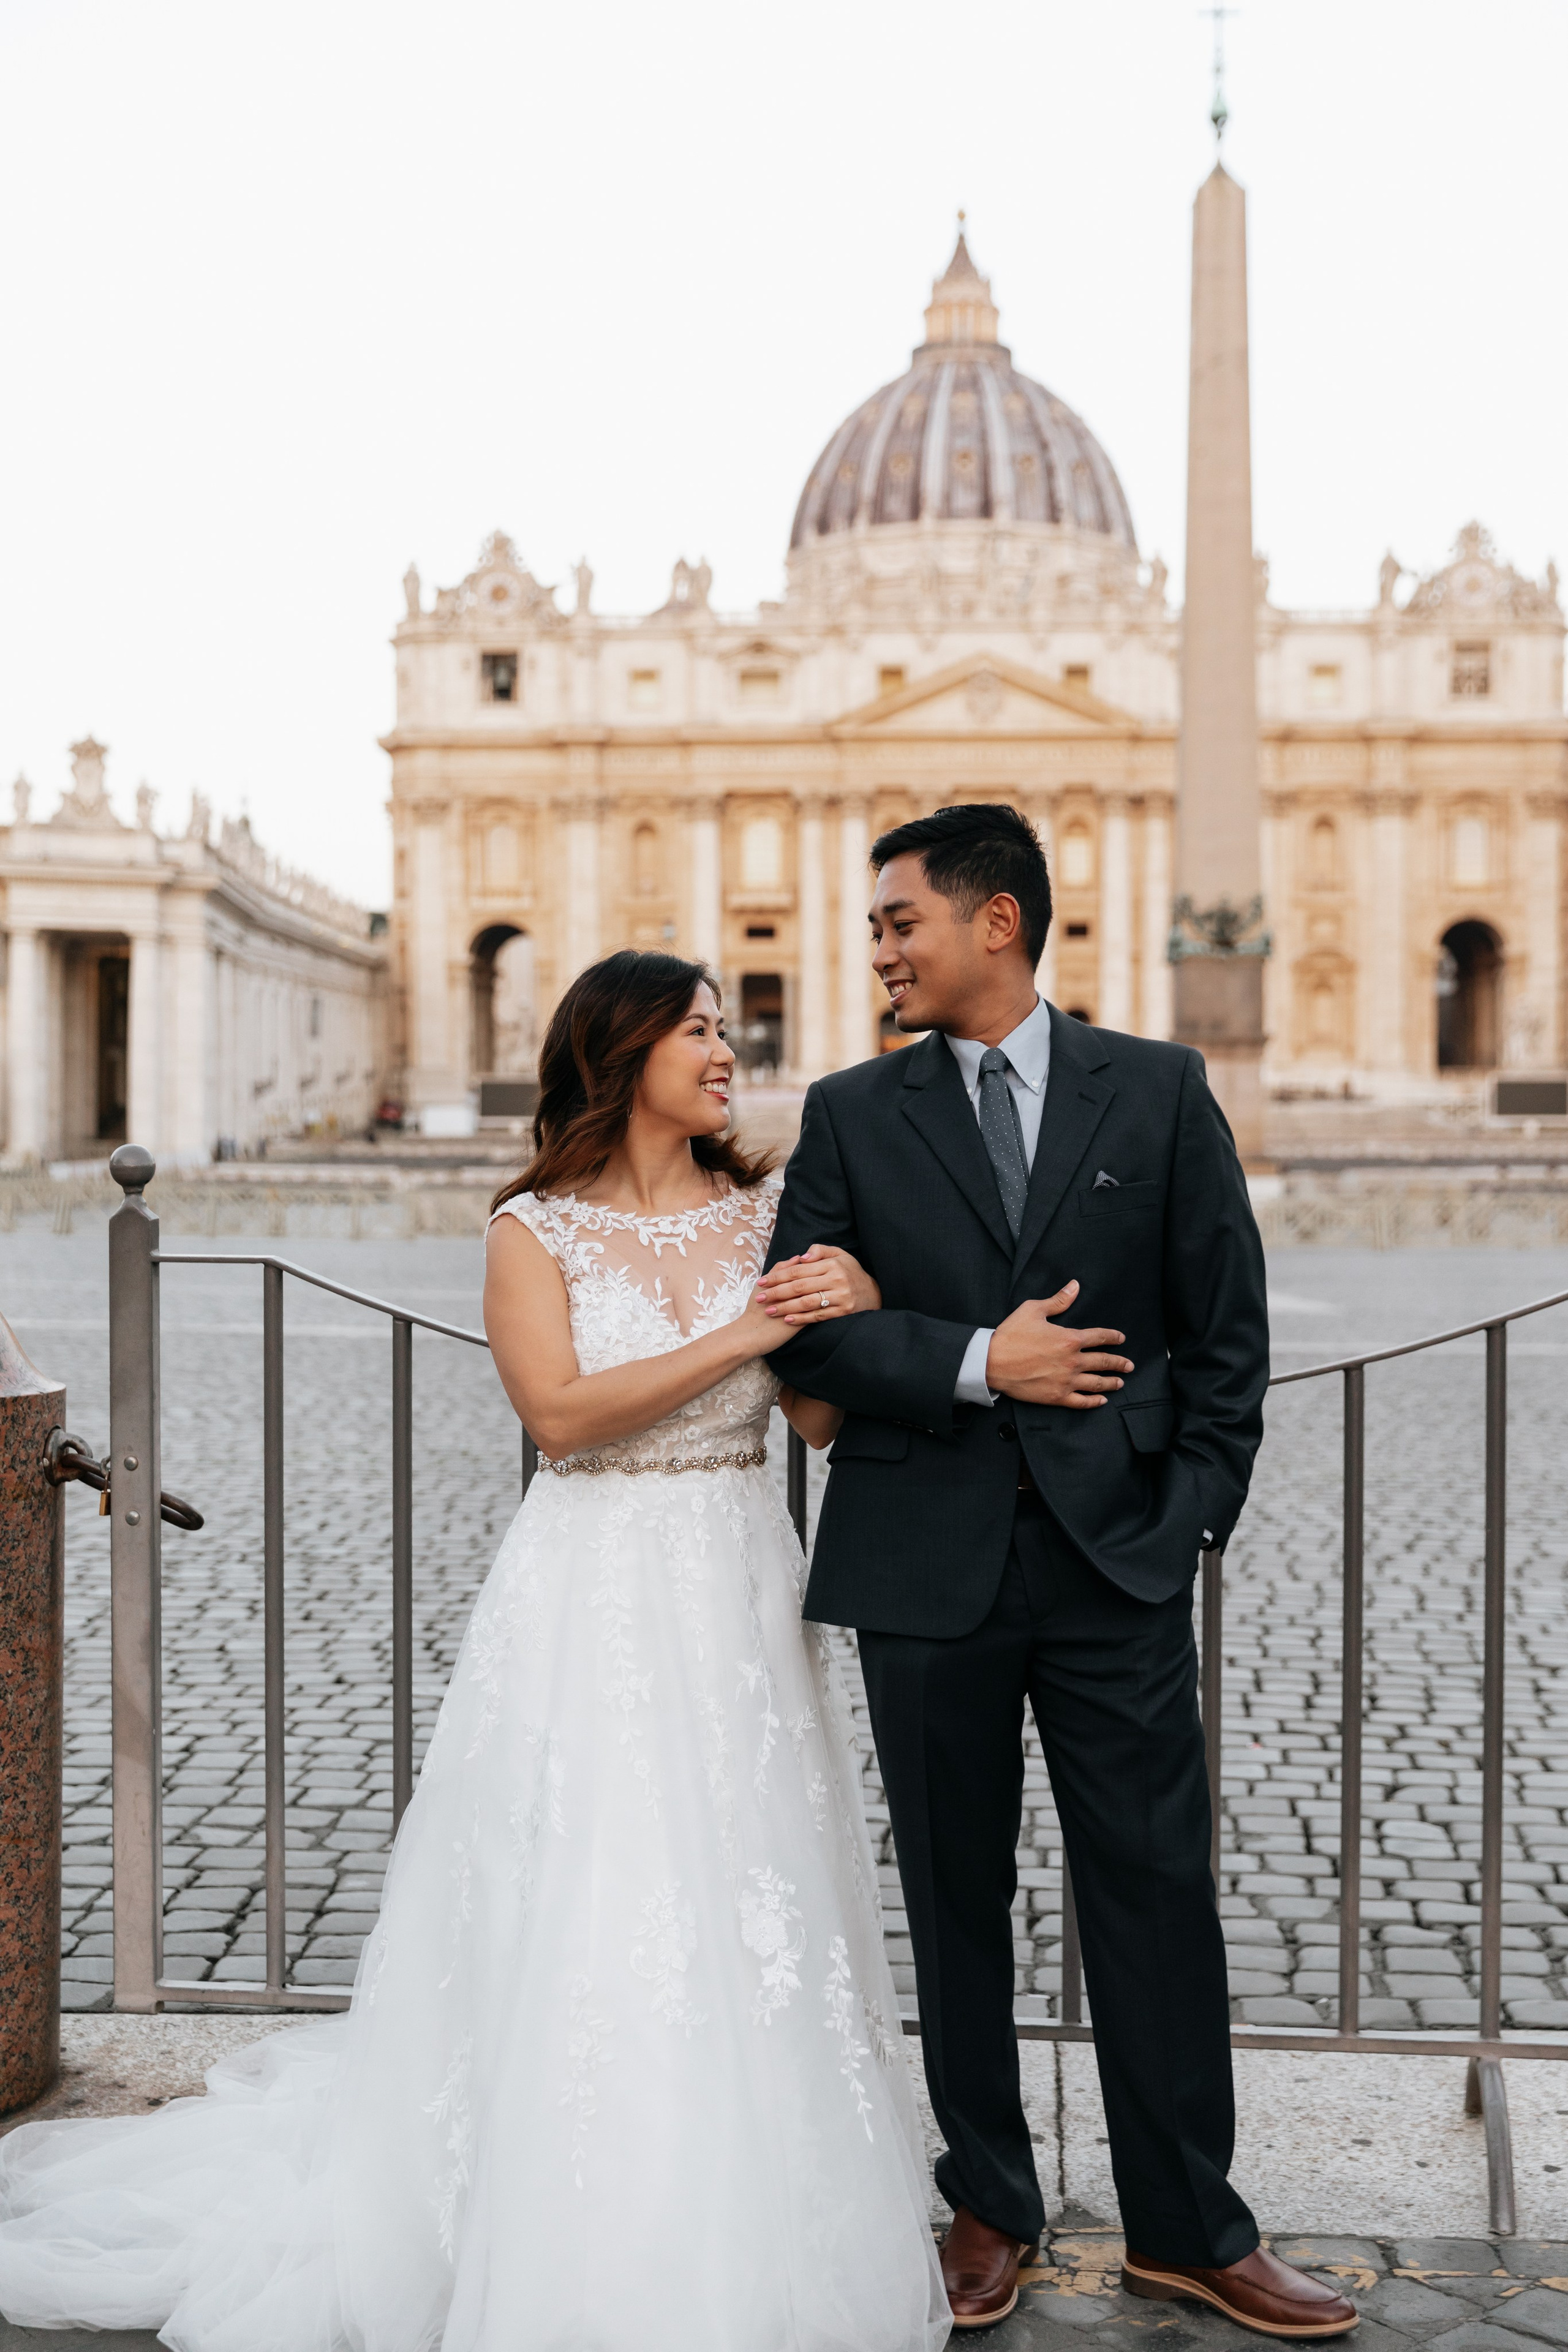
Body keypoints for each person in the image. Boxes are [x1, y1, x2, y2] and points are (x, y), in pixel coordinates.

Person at [0, 950, 948, 2352]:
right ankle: (556, 2197)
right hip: (593, 1584)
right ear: (622, 1055)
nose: (724, 1051)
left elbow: (813, 1428)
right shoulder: (534, 1229)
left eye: (719, 1029)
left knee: (749, 1878)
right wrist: (748, 1326)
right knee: (589, 1879)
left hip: (738, 1579)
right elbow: (558, 1418)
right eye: (697, 1031)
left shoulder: (767, 1216)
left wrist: (851, 1315)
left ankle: (754, 2185)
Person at [755, 803, 1357, 2339]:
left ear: (996, 923)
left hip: (1115, 1565)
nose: (877, 946)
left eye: (899, 920)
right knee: (952, 1899)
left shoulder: (1155, 1091)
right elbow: (806, 1327)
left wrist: (1190, 1517)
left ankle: (1187, 2223)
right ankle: (987, 2204)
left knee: (1155, 1890)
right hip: (921, 1561)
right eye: (877, 926)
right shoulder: (846, 1110)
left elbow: (1227, 1330)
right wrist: (975, 1361)